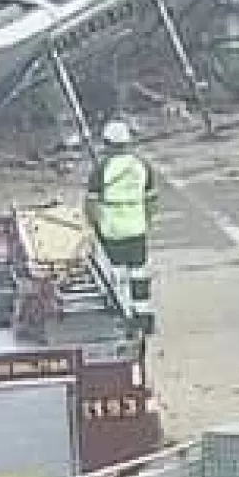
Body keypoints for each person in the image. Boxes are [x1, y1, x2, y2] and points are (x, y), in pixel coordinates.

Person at [85, 119, 159, 334]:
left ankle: (125, 316)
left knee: (117, 275)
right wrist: (145, 221)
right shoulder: (142, 166)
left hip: (112, 231)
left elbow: (91, 204)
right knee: (139, 273)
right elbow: (152, 200)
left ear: (107, 144)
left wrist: (93, 226)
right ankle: (144, 315)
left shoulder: (101, 170)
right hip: (137, 228)